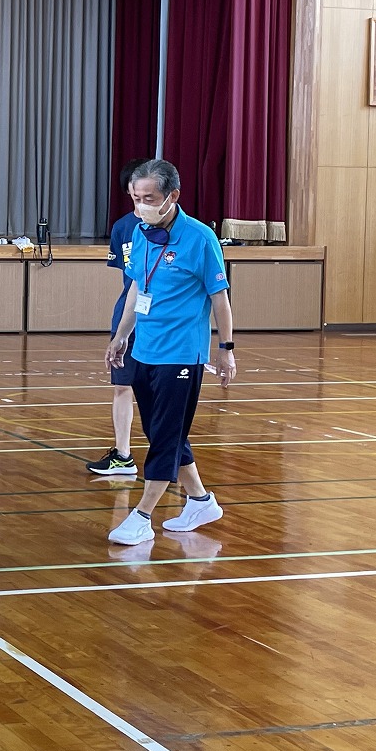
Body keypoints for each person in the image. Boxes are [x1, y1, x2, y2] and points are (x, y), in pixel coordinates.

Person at [104, 159, 234, 545]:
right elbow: (135, 290)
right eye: (135, 197)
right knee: (164, 431)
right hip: (145, 349)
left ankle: (142, 515)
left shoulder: (200, 238)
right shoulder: (142, 233)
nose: (140, 204)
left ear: (172, 196)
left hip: (181, 355)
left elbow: (221, 299)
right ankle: (200, 501)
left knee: (163, 437)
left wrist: (226, 350)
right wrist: (121, 335)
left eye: (149, 198)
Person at [86, 157, 150, 476]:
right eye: (135, 190)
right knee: (122, 385)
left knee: (159, 390)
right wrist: (122, 328)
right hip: (128, 314)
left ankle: (174, 457)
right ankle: (123, 455)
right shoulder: (123, 227)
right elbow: (129, 281)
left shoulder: (176, 228)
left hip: (163, 322)